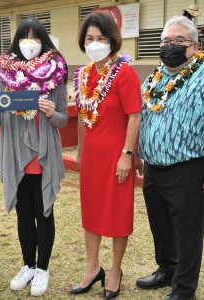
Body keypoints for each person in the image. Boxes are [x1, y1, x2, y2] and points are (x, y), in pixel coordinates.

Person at [136, 16, 204, 300]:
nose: (171, 46)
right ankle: (166, 270)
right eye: (166, 41)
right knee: (161, 225)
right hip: (153, 168)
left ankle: (184, 289)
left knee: (187, 233)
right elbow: (144, 117)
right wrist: (139, 154)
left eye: (179, 41)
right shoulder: (154, 77)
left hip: (188, 169)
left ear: (195, 45)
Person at [0, 18, 68, 296]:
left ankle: (42, 269)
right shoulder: (3, 71)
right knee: (23, 213)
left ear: (44, 41)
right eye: (24, 37)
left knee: (44, 212)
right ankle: (28, 265)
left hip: (43, 153)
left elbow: (63, 119)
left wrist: (50, 112)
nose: (29, 42)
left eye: (35, 37)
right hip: (15, 151)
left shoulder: (56, 70)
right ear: (16, 41)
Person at [69, 11, 141, 300]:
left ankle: (114, 271)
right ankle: (92, 267)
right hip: (92, 158)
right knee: (92, 212)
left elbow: (135, 117)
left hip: (116, 156)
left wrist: (127, 155)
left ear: (113, 41)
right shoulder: (84, 74)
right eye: (90, 38)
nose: (95, 43)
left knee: (118, 213)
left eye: (101, 38)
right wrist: (79, 151)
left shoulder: (124, 73)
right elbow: (83, 117)